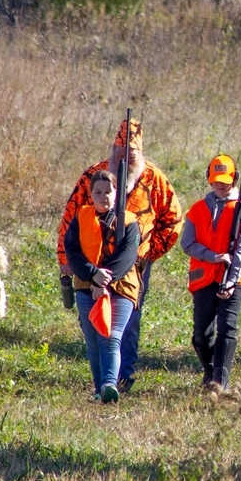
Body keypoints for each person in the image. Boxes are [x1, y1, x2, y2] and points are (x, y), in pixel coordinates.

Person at [57, 119, 183, 394]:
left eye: (131, 154)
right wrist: (65, 259)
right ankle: (101, 380)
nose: (124, 158)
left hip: (132, 266)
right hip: (88, 266)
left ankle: (120, 379)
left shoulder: (155, 180)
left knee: (126, 324)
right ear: (112, 150)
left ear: (141, 154)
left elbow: (174, 221)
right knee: (91, 323)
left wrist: (148, 251)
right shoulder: (93, 176)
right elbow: (71, 219)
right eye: (119, 152)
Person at [64, 170, 142, 404]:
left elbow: (127, 257)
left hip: (121, 288)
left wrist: (104, 281)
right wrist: (93, 275)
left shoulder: (129, 221)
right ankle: (100, 390)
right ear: (91, 194)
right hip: (87, 286)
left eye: (108, 191)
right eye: (98, 192)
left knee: (111, 335)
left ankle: (109, 384)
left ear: (117, 193)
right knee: (93, 342)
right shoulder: (80, 218)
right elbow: (73, 252)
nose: (103, 196)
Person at [181, 155, 241, 392]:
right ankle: (211, 370)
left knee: (227, 327)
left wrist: (232, 281)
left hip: (235, 278)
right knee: (201, 334)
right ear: (208, 179)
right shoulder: (196, 210)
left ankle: (220, 383)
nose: (221, 185)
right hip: (203, 278)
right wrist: (213, 256)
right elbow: (187, 244)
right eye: (216, 180)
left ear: (235, 179)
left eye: (226, 180)